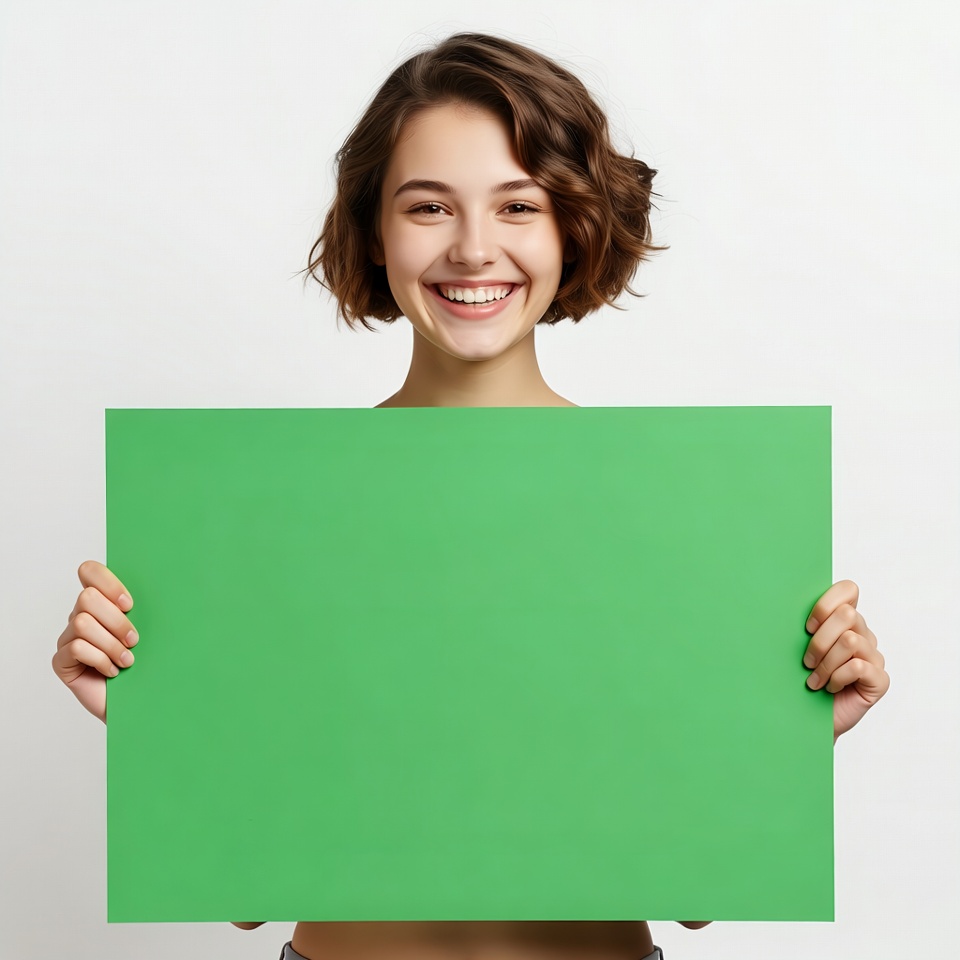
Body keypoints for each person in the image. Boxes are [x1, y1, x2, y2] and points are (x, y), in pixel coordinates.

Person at [50, 31, 891, 960]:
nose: (474, 248)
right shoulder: (273, 508)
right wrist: (153, 715)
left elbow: (692, 892)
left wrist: (794, 723)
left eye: (518, 204)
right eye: (429, 206)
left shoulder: (677, 509)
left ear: (573, 224)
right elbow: (249, 892)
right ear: (375, 226)